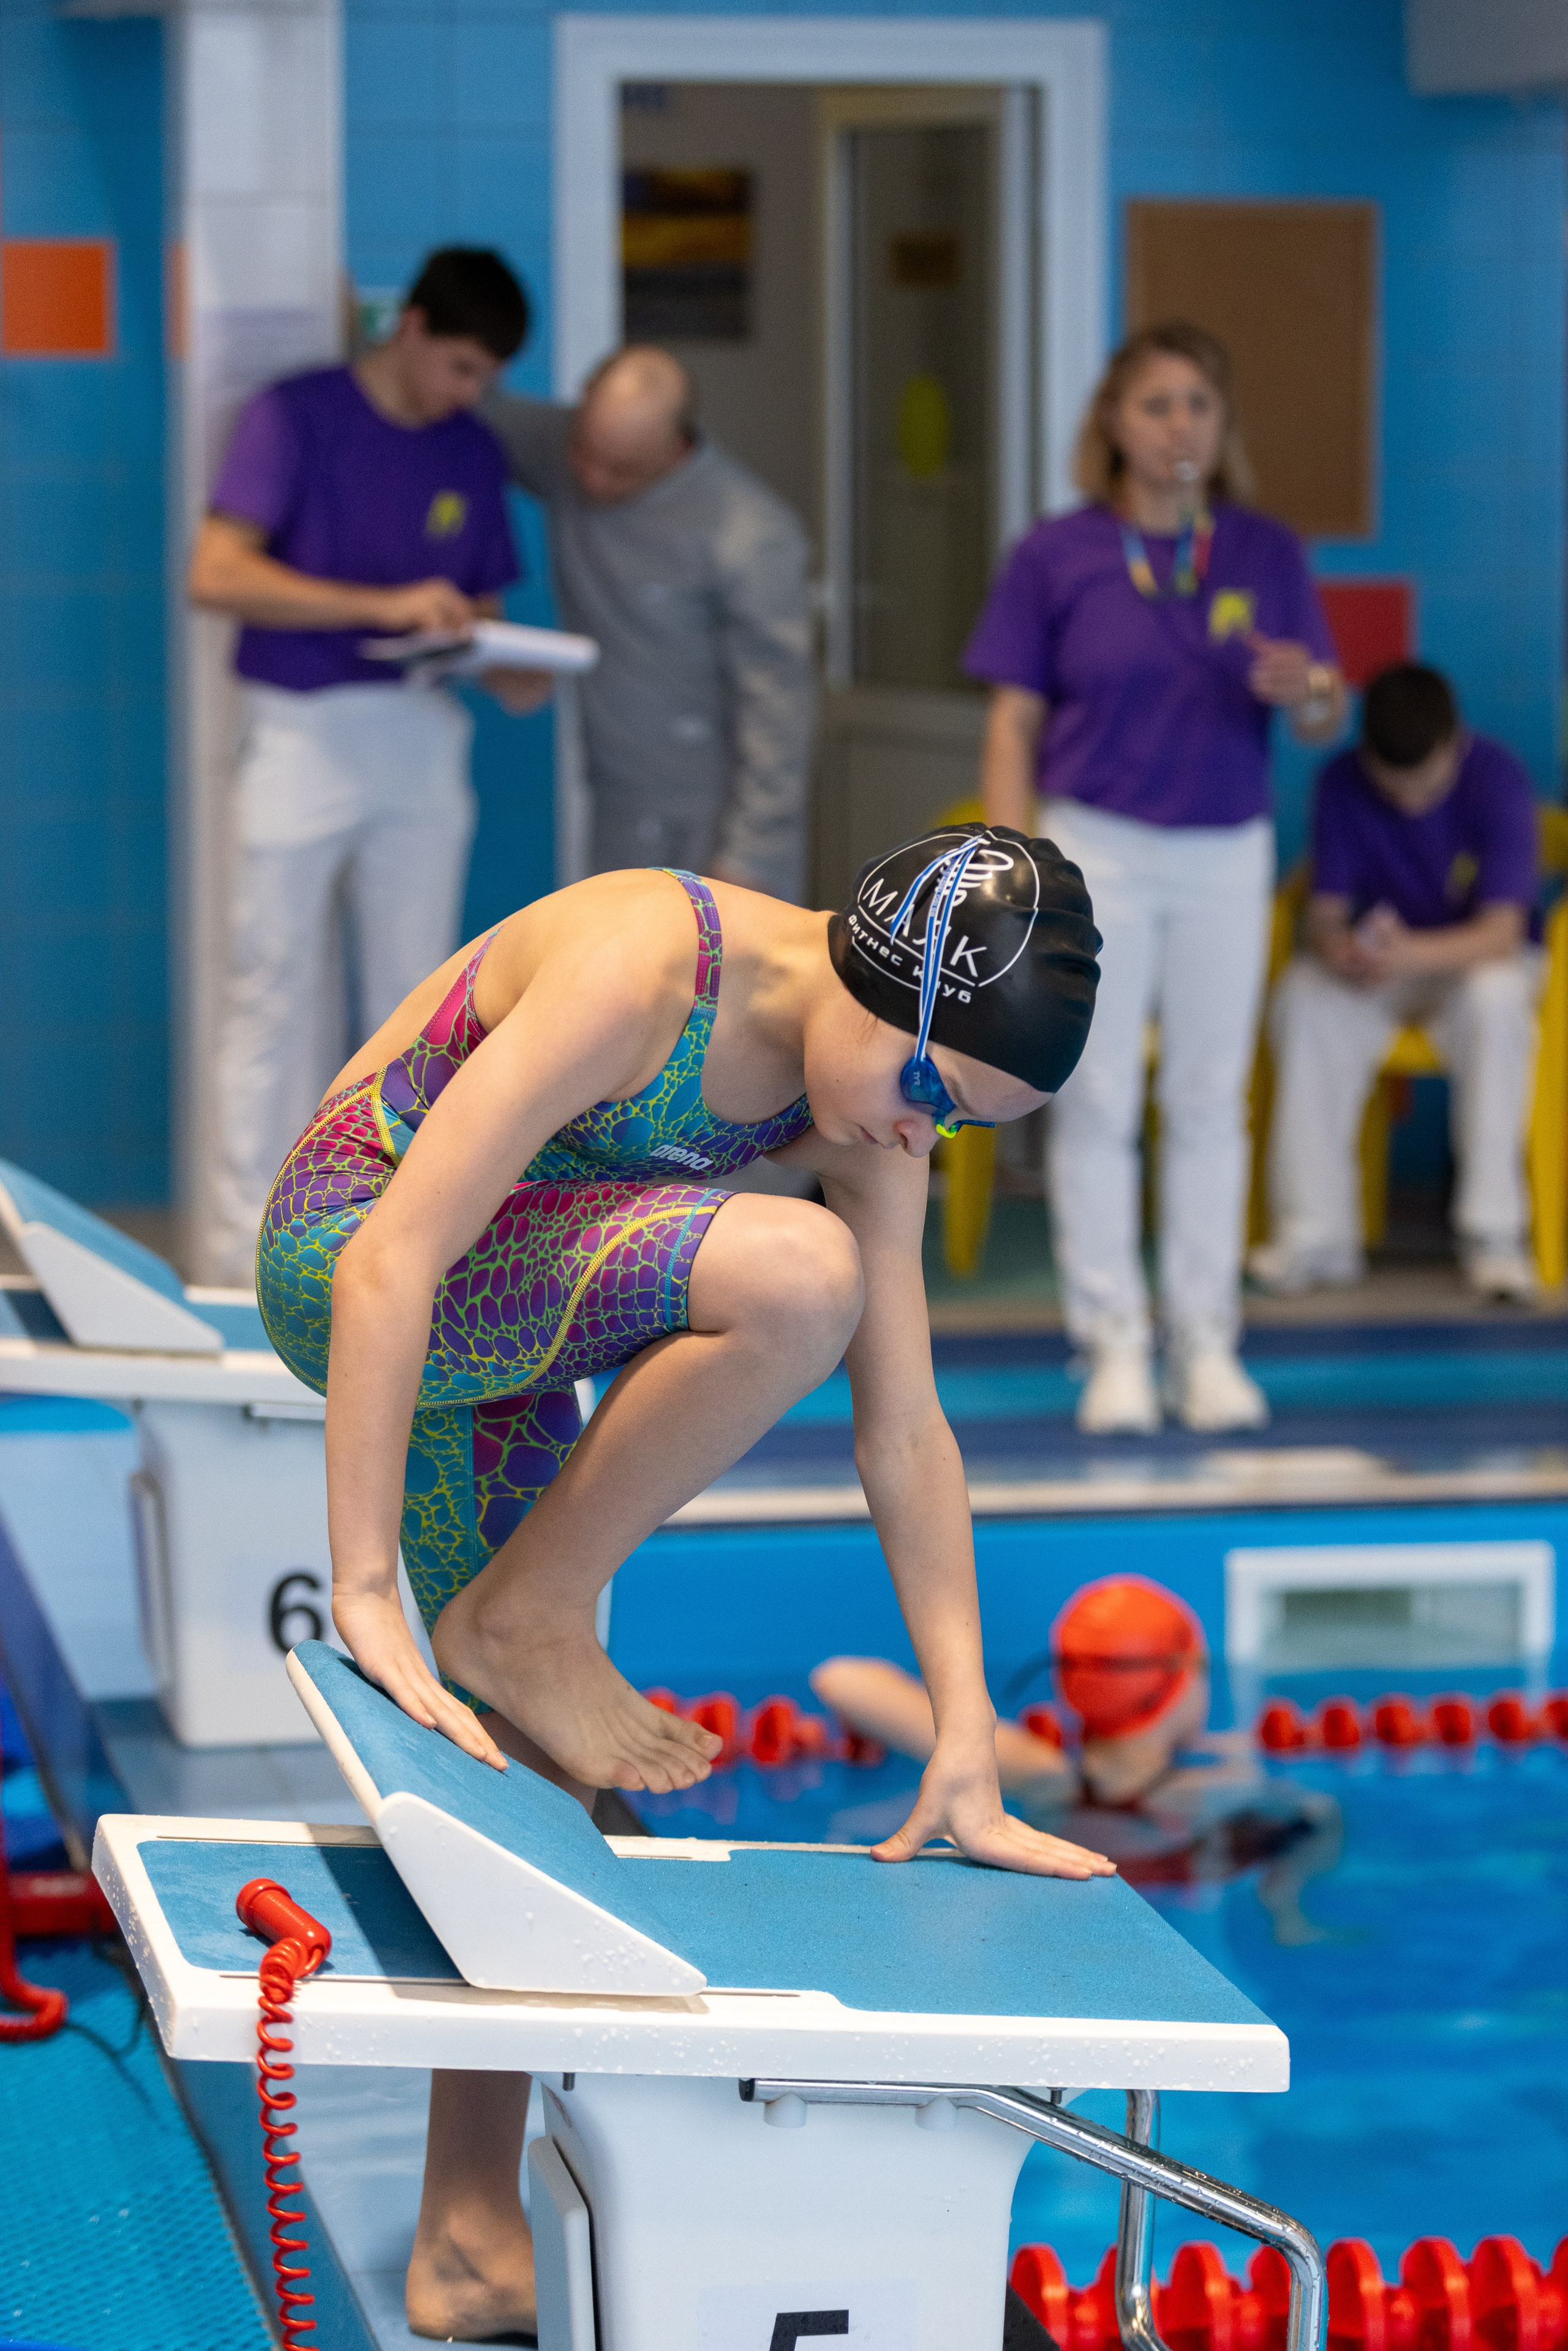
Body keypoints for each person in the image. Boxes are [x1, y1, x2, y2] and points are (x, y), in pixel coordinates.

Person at [255, 825, 1103, 2339]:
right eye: (928, 1090)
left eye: (960, 1127)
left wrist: (966, 1733)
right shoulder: (646, 971)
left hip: (509, 1309)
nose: (918, 1137)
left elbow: (903, 1427)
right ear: (883, 980)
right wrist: (362, 1584)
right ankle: (518, 1616)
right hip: (353, 1253)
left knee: (518, 1779)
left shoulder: (864, 1111)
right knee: (799, 1275)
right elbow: (392, 1257)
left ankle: (464, 2238)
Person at [967, 320, 1348, 1436]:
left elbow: (1324, 711)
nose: (1181, 424)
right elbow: (1014, 715)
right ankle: (1113, 1345)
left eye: (1200, 405)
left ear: (1223, 429)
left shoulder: (1267, 552)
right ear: (1114, 426)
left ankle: (1207, 1341)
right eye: (1158, 404)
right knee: (1097, 1098)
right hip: (1098, 846)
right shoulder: (1057, 553)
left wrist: (1311, 688)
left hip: (1225, 846)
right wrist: (1015, 865)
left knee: (1209, 1098)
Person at [190, 247, 551, 1285]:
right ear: (413, 329)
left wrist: (504, 663)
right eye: (461, 367)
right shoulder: (294, 416)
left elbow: (476, 609)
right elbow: (216, 572)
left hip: (416, 732)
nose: (470, 393)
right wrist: (380, 606)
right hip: (299, 732)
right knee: (272, 987)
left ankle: (392, 1245)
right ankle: (234, 1262)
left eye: (486, 377)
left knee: (417, 997)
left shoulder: (469, 452)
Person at [813, 1574, 1341, 1944]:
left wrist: (971, 1722)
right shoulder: (1225, 1789)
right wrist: (1285, 1903)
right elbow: (1322, 1819)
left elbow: (840, 1677)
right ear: (1182, 1683)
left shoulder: (1038, 1774)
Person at [1251, 663, 1542, 1304]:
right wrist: (1339, 950)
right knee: (1303, 996)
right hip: (1383, 969)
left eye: (1424, 781)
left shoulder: (1498, 777)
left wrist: (1414, 954)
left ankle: (1493, 1238)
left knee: (1498, 998)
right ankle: (1315, 1235)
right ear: (1366, 755)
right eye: (1393, 782)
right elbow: (1324, 917)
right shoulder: (1341, 781)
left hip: (1470, 965)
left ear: (1453, 742)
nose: (1409, 798)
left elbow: (1501, 933)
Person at [481, 345, 816, 900]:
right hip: (619, 799)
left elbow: (779, 707)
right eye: (585, 454)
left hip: (713, 813)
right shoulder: (559, 450)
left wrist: (754, 854)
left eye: (621, 470)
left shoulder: (751, 534)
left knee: (713, 983)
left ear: (676, 446)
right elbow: (460, 401)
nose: (593, 479)